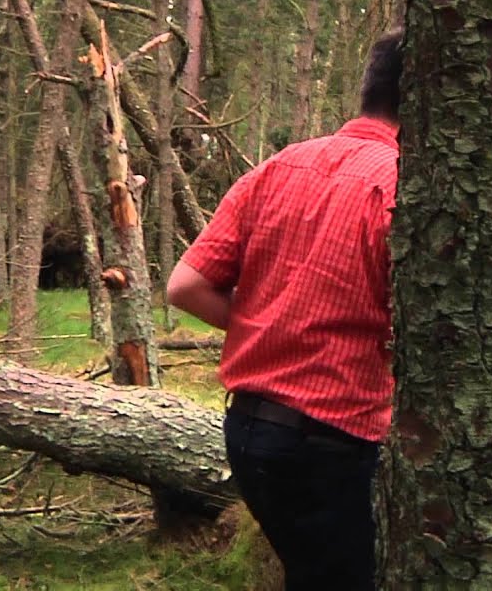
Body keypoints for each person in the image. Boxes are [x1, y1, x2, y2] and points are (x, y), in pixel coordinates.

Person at [165, 31, 403, 591]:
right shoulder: (401, 185)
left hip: (248, 431)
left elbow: (186, 285)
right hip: (336, 444)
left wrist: (264, 321)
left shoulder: (279, 167)